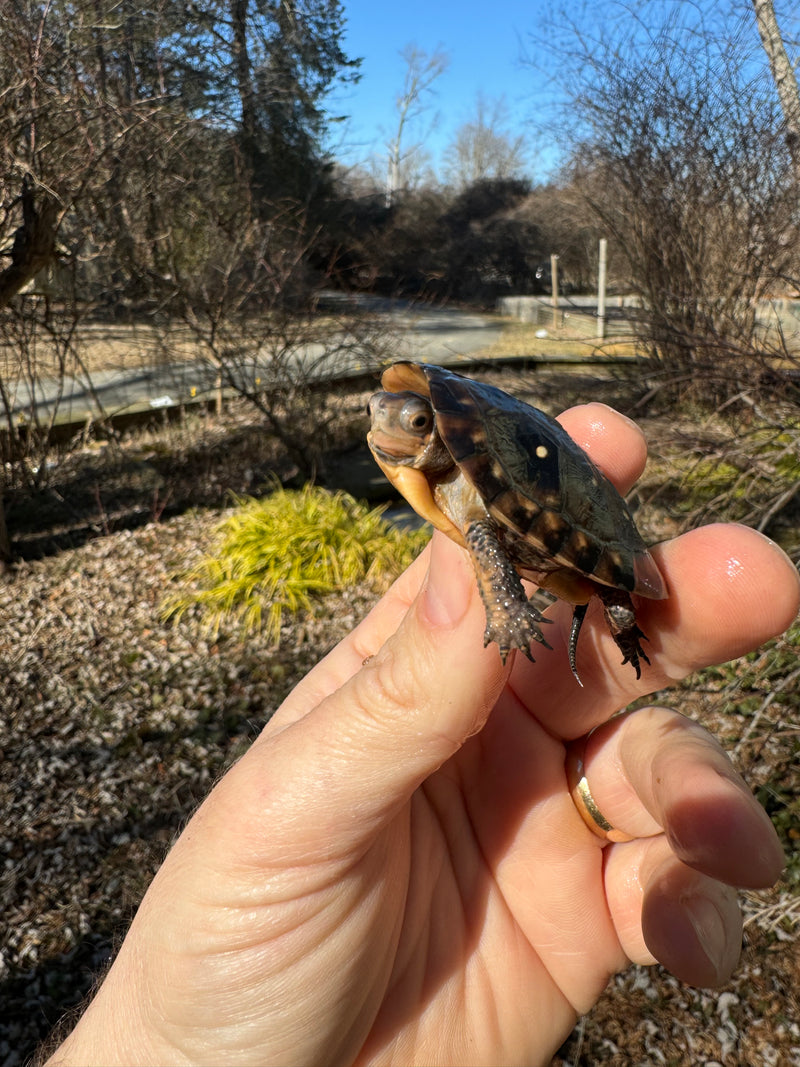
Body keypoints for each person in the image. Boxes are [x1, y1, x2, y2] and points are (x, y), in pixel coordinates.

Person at [45, 403, 799, 1067]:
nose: (388, 423)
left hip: (561, 537)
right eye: (386, 414)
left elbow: (489, 534)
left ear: (438, 435)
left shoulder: (470, 480)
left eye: (411, 420)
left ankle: (620, 610)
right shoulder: (446, 479)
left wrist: (510, 614)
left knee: (602, 588)